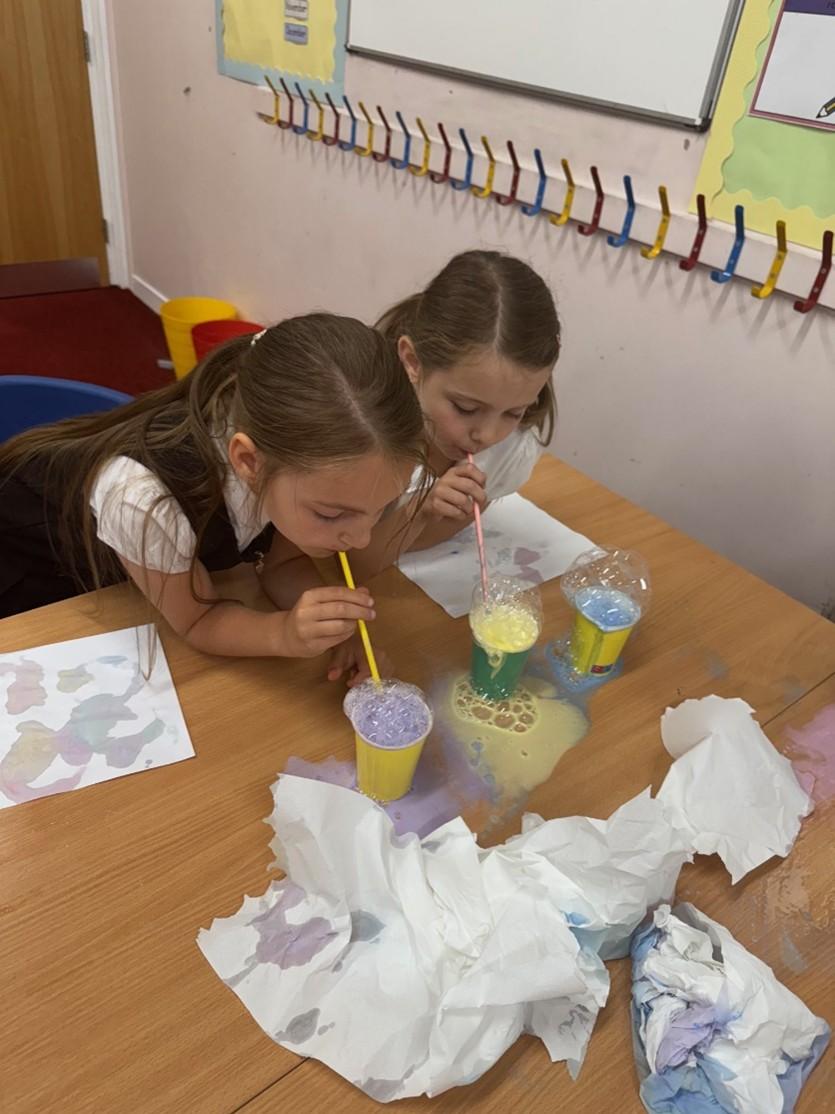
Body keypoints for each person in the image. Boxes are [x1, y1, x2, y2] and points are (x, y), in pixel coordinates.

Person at [0, 314, 426, 684]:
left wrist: (336, 629)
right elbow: (198, 620)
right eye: (333, 514)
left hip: (137, 564)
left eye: (382, 509)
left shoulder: (296, 461)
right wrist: (284, 634)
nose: (362, 539)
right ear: (248, 462)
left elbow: (283, 563)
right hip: (30, 571)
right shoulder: (145, 500)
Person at [354, 250, 561, 575]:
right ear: (412, 361)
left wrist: (435, 515)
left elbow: (443, 533)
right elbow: (349, 564)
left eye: (514, 412)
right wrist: (418, 513)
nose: (488, 436)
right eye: (465, 408)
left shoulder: (510, 449)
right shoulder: (363, 435)